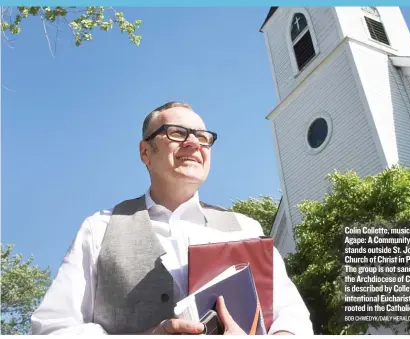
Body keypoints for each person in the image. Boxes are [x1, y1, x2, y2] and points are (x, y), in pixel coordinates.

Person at [31, 102, 314, 335]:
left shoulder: (245, 228)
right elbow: (54, 329)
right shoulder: (99, 229)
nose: (194, 143)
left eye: (203, 137)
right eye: (177, 133)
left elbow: (292, 319)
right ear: (145, 152)